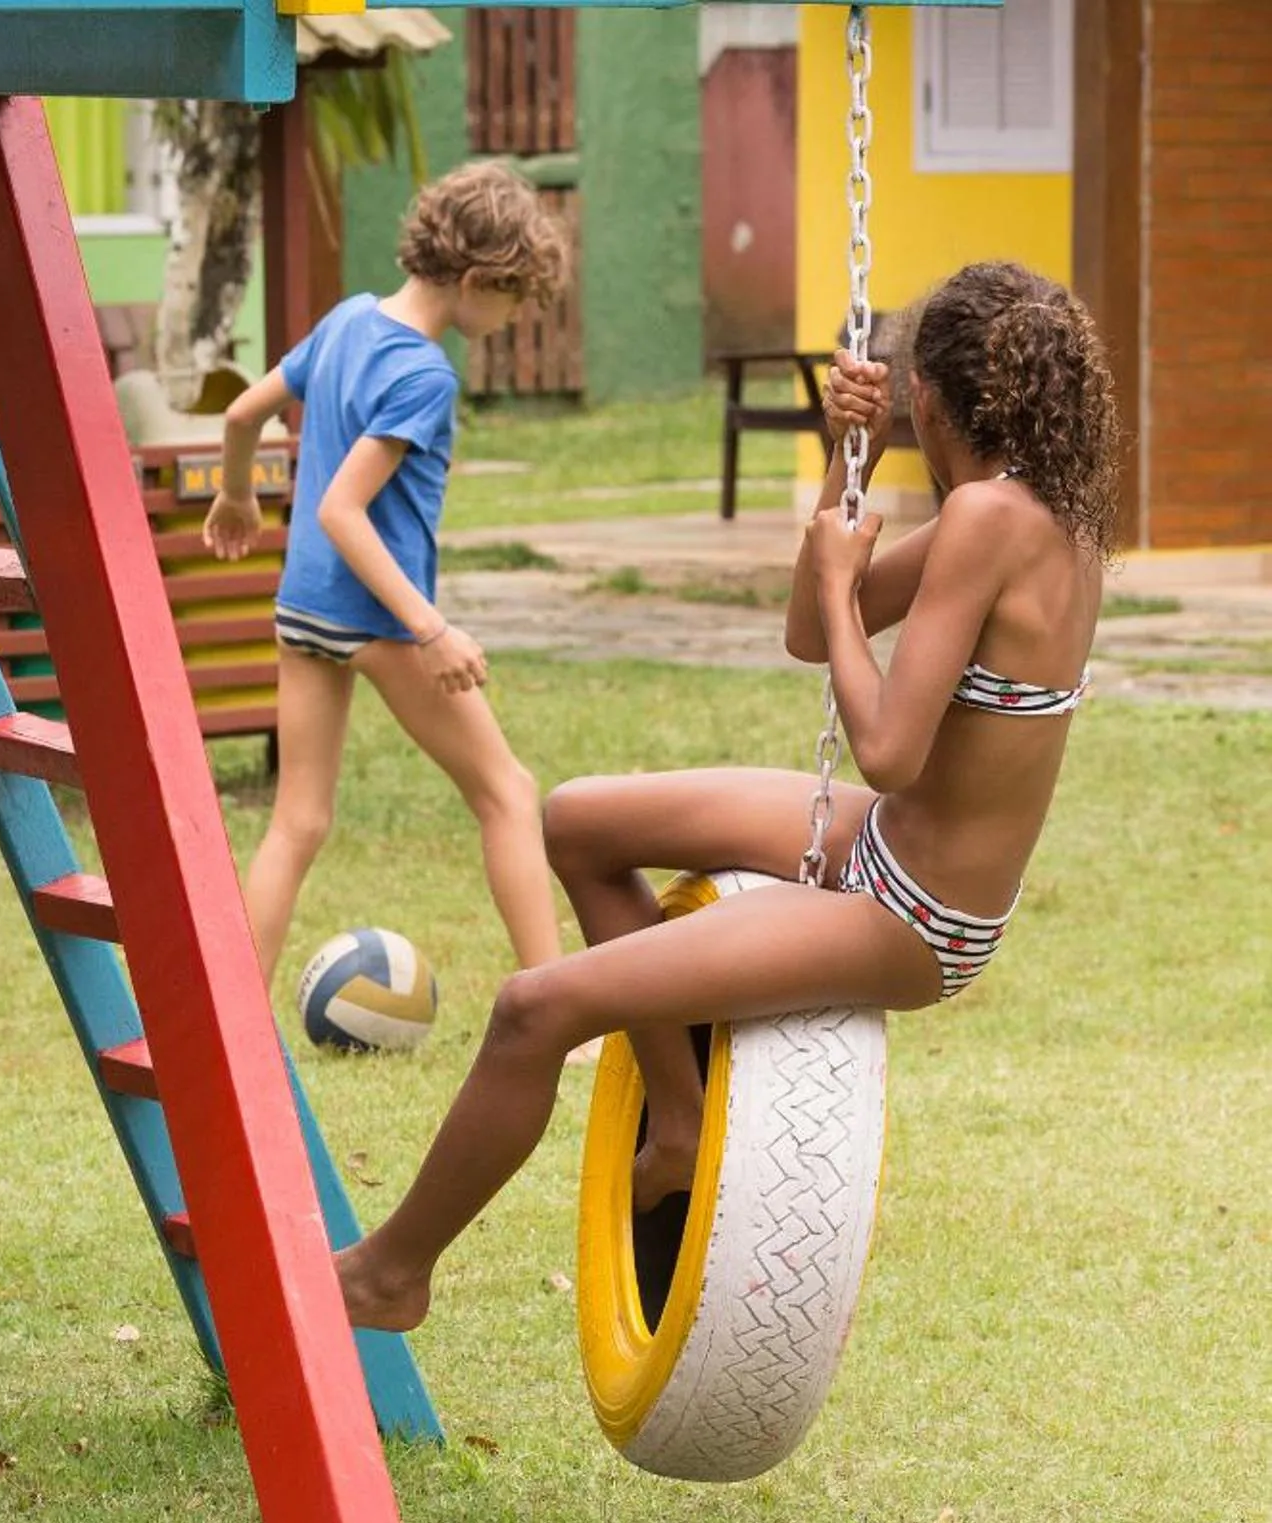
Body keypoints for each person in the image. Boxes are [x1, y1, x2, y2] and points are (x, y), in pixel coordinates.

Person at [330, 262, 1119, 1333]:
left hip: (914, 916)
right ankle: (683, 1123)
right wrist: (851, 463)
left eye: (904, 411)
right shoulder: (1040, 512)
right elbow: (808, 633)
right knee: (581, 822)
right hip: (888, 841)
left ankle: (391, 1276)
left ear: (932, 400)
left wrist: (843, 583)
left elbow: (885, 746)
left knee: (533, 1010)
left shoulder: (991, 519)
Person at [202, 162, 573, 991]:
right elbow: (343, 509)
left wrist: (235, 494)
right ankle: (559, 1012)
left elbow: (239, 415)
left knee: (297, 820)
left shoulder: (345, 322)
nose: (514, 320)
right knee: (508, 793)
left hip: (302, 610)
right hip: (376, 619)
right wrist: (430, 630)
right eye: (514, 300)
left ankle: (237, 1016)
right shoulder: (424, 375)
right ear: (478, 280)